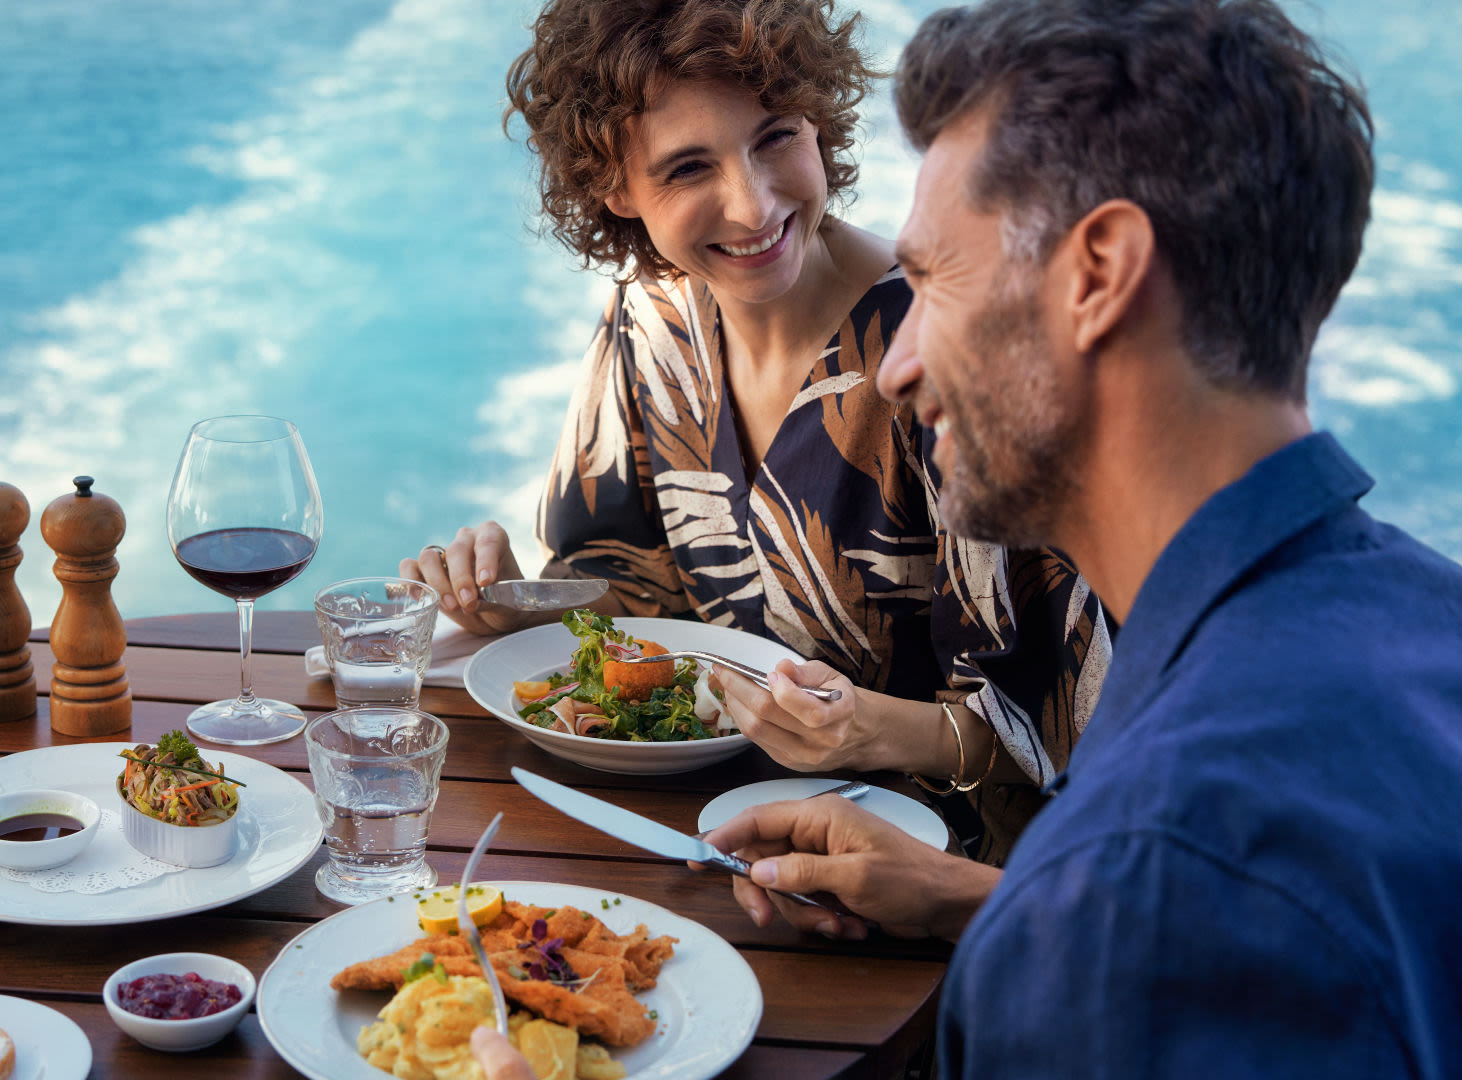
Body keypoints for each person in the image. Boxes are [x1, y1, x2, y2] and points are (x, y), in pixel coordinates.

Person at [706, 0, 1462, 1072]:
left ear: (1101, 272)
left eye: (932, 282)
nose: (896, 364)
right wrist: (995, 905)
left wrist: (1061, 923)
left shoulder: (1145, 880)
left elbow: (1176, 914)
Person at [402, 0, 1111, 863]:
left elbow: (1074, 720)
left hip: (944, 877)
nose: (752, 206)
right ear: (613, 187)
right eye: (688, 168)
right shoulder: (652, 320)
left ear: (820, 119)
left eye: (776, 137)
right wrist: (520, 602)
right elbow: (638, 598)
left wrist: (866, 733)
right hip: (711, 836)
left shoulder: (947, 355)